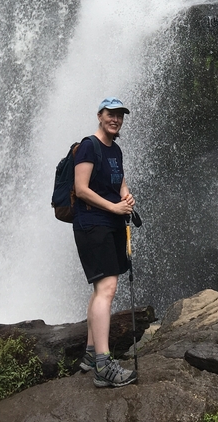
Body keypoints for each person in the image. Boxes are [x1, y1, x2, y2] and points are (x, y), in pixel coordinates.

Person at [73, 97, 137, 388]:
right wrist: (112, 208)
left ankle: (89, 354)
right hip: (92, 225)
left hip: (111, 225)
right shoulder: (89, 145)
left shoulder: (116, 149)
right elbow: (81, 189)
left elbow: (118, 183)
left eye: (120, 116)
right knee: (107, 289)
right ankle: (103, 364)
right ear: (99, 115)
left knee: (102, 288)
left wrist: (126, 196)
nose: (116, 119)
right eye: (111, 114)